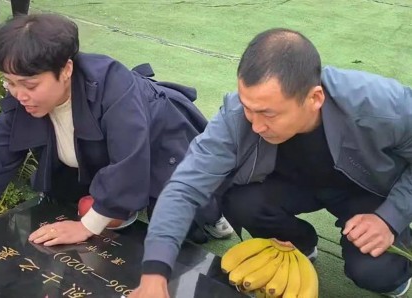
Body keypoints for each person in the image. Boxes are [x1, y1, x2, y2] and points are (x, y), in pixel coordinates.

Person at [130, 28, 412, 298]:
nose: (256, 125)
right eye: (248, 108)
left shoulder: (382, 106)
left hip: (366, 190)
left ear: (314, 98)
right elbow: (184, 187)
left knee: (373, 272)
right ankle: (300, 245)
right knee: (241, 201)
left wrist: (389, 217)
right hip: (295, 184)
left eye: (268, 114)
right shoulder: (238, 115)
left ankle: (394, 271)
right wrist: (154, 272)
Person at [0, 14, 233, 250]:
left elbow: (131, 162)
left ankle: (211, 213)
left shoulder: (115, 88)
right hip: (90, 151)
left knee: (186, 215)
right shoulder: (21, 96)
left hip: (160, 144)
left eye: (29, 85)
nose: (18, 94)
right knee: (64, 199)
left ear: (66, 69)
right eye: (9, 83)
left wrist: (87, 226)